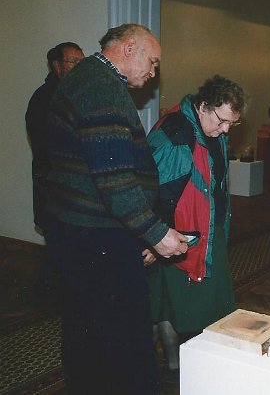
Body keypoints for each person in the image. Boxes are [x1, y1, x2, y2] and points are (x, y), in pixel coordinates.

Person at [44, 23, 188, 395]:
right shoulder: (101, 89)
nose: (153, 72)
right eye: (152, 62)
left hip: (79, 228)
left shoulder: (88, 79)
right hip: (95, 234)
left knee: (87, 329)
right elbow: (114, 180)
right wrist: (156, 233)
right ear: (128, 48)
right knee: (126, 335)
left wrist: (142, 233)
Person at [146, 74, 248, 382]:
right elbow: (155, 193)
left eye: (232, 123)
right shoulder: (176, 134)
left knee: (176, 306)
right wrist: (152, 238)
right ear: (203, 106)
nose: (226, 129)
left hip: (204, 232)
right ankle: (179, 370)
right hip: (177, 238)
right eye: (222, 120)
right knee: (173, 306)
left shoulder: (210, 130)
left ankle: (180, 368)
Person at [25, 42, 85, 291]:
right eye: (74, 61)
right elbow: (49, 146)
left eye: (82, 61)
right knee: (58, 236)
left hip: (65, 182)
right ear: (57, 66)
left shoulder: (72, 94)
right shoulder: (45, 99)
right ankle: (50, 288)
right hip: (53, 181)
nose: (80, 67)